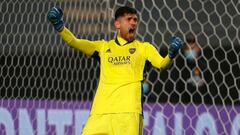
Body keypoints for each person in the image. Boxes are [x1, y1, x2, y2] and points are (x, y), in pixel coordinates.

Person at [47, 6, 183, 135]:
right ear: (117, 24)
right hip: (100, 113)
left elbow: (162, 64)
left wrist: (170, 55)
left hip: (129, 114)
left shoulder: (144, 48)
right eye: (129, 19)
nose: (134, 23)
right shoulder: (102, 47)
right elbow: (74, 42)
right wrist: (59, 26)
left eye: (135, 20)